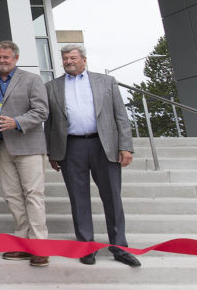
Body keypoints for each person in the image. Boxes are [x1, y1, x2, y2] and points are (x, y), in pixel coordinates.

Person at [46, 44, 140, 267]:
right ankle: (86, 246)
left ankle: (119, 246)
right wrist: (52, 152)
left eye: (73, 58)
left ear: (84, 60)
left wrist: (126, 146)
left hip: (103, 145)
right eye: (65, 59)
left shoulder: (105, 82)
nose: (68, 62)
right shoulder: (51, 86)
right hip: (71, 147)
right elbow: (49, 124)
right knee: (78, 199)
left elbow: (120, 115)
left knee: (112, 196)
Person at [0, 40, 50, 267]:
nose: (2, 61)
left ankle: (39, 247)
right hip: (1, 145)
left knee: (34, 194)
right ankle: (21, 243)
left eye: (6, 57)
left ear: (15, 58)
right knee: (12, 196)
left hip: (28, 145)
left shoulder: (32, 80)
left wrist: (16, 122)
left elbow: (41, 111)